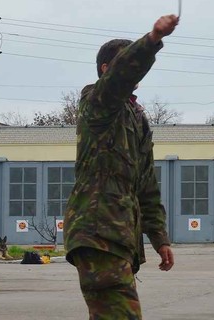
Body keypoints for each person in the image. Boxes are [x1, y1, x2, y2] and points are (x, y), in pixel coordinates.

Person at [63, 14, 179, 319]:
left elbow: (146, 185)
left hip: (119, 237)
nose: (134, 72)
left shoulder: (136, 118)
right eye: (126, 63)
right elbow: (119, 79)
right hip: (97, 232)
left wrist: (159, 238)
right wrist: (152, 40)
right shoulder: (97, 103)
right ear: (106, 69)